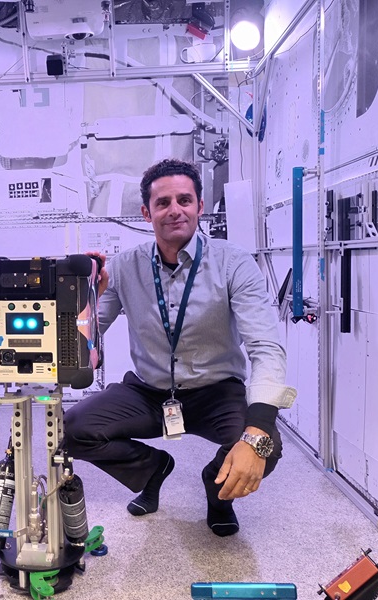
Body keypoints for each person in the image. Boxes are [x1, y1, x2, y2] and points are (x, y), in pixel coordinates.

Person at [63, 158, 296, 536]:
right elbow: (84, 342)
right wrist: (87, 295)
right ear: (146, 212)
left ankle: (217, 492)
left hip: (216, 391)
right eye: (163, 202)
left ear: (200, 207)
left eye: (185, 200)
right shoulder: (124, 267)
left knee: (266, 446)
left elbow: (266, 348)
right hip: (149, 392)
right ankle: (152, 469)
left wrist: (258, 430)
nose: (175, 210)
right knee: (71, 430)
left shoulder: (233, 263)